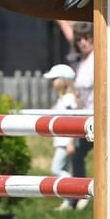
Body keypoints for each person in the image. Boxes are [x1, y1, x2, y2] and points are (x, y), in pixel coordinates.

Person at [42, 63, 79, 210]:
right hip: (62, 141)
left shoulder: (69, 99)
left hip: (65, 142)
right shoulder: (63, 99)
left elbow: (73, 119)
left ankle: (72, 192)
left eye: (55, 79)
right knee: (62, 168)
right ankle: (69, 201)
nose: (52, 82)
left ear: (64, 80)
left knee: (56, 169)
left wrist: (70, 142)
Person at [68, 21, 94, 210]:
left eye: (87, 38)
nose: (83, 43)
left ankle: (86, 194)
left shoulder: (98, 58)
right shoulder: (79, 62)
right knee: (77, 156)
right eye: (79, 40)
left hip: (99, 117)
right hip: (83, 118)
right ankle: (79, 195)